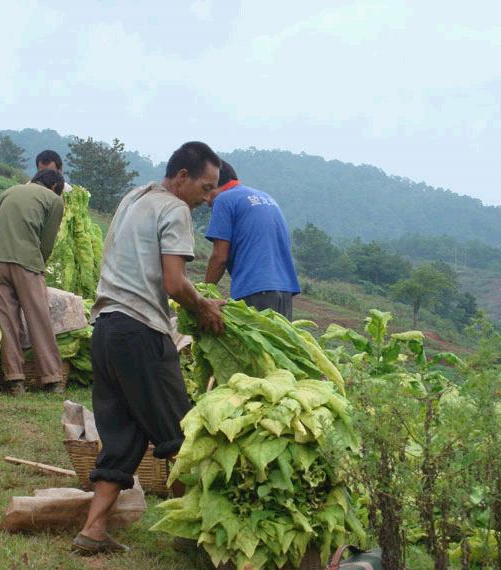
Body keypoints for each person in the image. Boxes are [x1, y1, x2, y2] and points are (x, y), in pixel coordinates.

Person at [71, 142, 225, 555]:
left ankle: (93, 530)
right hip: (140, 333)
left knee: (121, 435)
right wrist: (204, 306)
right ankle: (195, 533)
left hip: (104, 330)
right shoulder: (175, 210)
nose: (209, 198)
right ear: (181, 178)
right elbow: (174, 283)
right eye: (206, 188)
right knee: (183, 433)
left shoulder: (133, 198)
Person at [0, 169, 66, 395]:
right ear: (55, 186)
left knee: (7, 322)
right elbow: (46, 242)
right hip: (25, 260)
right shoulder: (54, 199)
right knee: (38, 318)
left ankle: (14, 380)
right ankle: (52, 379)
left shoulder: (8, 192)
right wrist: (39, 265)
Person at [204, 161, 300, 319]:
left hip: (255, 290)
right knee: (277, 343)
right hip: (285, 292)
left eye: (206, 190)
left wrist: (203, 294)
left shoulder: (224, 200)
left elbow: (219, 256)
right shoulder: (266, 197)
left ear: (215, 182)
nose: (206, 200)